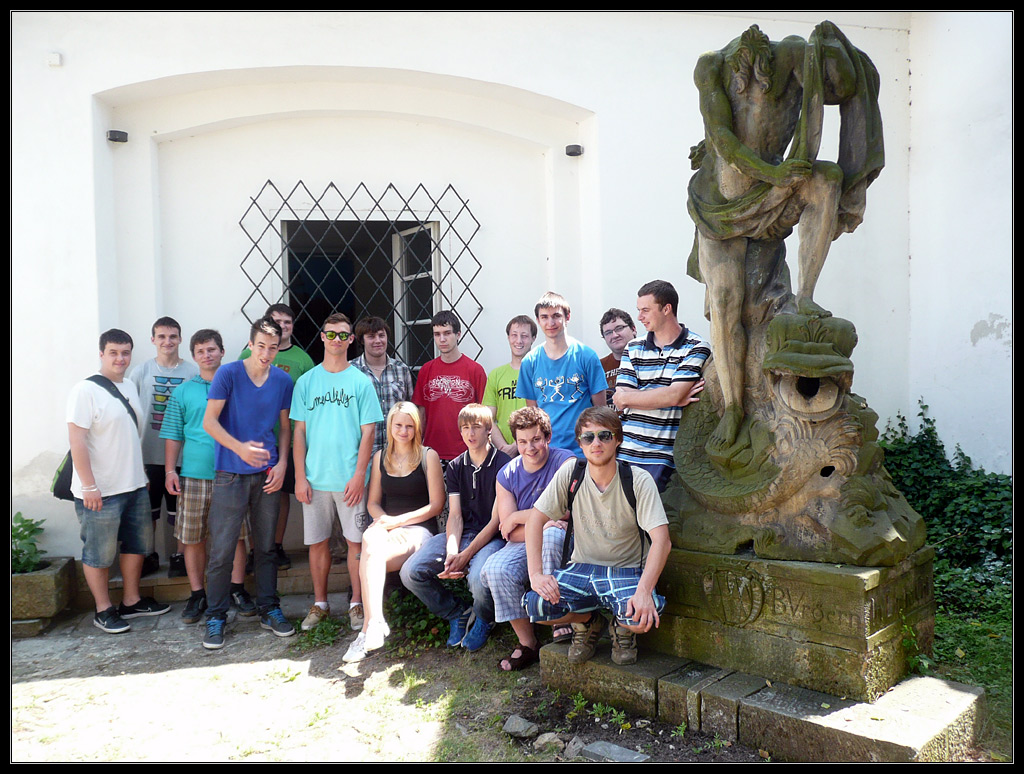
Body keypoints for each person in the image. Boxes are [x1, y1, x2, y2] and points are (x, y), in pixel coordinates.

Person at [687, 22, 883, 459]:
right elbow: (722, 138)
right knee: (725, 301)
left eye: (760, 81)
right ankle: (733, 409)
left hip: (776, 188)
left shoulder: (794, 54)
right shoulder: (711, 66)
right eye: (745, 80)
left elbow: (840, 88)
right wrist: (773, 172)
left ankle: (806, 295)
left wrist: (833, 47)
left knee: (826, 179)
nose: (752, 86)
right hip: (721, 205)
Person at [524, 407, 671, 666]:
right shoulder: (572, 473)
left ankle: (622, 626)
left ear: (618, 439)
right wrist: (536, 575)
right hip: (581, 568)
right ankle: (589, 622)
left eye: (604, 435)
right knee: (536, 606)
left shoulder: (637, 480)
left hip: (626, 570)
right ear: (580, 442)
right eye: (588, 437)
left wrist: (644, 591)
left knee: (641, 618)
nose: (596, 443)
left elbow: (662, 541)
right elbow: (535, 520)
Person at [67, 328, 170, 634]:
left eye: (125, 353)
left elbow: (130, 436)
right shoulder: (84, 390)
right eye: (113, 353)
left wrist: (141, 476)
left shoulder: (128, 386)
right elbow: (77, 441)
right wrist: (88, 486)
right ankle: (103, 609)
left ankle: (131, 601)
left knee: (137, 546)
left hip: (134, 486)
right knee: (99, 553)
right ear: (102, 354)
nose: (120, 358)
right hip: (100, 490)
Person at [201, 317, 295, 650]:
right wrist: (239, 448)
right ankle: (216, 616)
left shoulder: (282, 380)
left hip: (267, 474)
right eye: (261, 346)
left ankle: (269, 608)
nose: (266, 354)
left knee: (266, 547)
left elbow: (285, 428)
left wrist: (282, 463)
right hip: (230, 473)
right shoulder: (228, 374)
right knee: (222, 549)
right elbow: (209, 422)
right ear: (250, 345)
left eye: (273, 348)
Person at [291, 313, 382, 633]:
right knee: (317, 543)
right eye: (331, 334)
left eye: (343, 335)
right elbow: (298, 432)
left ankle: (357, 603)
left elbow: (369, 431)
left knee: (355, 544)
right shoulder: (306, 382)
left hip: (350, 481)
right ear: (322, 337)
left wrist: (359, 476)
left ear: (351, 340)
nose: (337, 340)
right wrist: (299, 477)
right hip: (315, 480)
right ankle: (320, 603)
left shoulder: (361, 382)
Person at [161, 330, 255, 624]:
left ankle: (237, 589)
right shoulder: (183, 392)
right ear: (193, 356)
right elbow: (174, 434)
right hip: (193, 475)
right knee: (193, 538)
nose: (207, 355)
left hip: (232, 473)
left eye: (212, 349)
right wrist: (170, 470)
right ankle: (197, 593)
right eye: (201, 351)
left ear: (222, 352)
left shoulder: (239, 387)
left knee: (237, 536)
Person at [400, 404, 510, 652]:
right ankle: (457, 612)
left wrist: (466, 555)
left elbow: (495, 521)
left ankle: (485, 617)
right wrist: (452, 552)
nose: (470, 433)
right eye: (465, 428)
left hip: (493, 537)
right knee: (410, 572)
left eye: (476, 427)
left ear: (489, 429)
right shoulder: (456, 465)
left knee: (478, 579)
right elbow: (456, 515)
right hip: (462, 534)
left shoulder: (504, 464)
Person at [343, 402, 445, 662]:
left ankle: (367, 630)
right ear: (390, 426)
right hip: (389, 527)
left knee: (368, 555)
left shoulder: (428, 456)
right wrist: (385, 521)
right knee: (370, 539)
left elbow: (436, 505)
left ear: (417, 428)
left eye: (409, 426)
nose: (403, 431)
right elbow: (373, 503)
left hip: (419, 529)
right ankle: (375, 623)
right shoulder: (380, 457)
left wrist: (397, 522)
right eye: (398, 425)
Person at [479, 407, 576, 671]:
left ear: (548, 437)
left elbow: (567, 511)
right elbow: (508, 530)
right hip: (522, 541)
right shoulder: (506, 474)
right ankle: (528, 642)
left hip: (563, 537)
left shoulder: (565, 462)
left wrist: (522, 516)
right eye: (522, 442)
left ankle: (559, 618)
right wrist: (542, 522)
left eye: (536, 439)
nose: (529, 448)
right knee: (496, 568)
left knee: (554, 535)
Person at [613, 280, 709, 492]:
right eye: (639, 310)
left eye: (645, 310)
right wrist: (669, 397)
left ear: (667, 309)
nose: (639, 317)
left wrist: (671, 396)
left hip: (663, 458)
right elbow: (620, 400)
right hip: (624, 451)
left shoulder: (697, 347)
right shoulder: (633, 347)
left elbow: (672, 395)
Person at [240, 303, 315, 570]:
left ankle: (276, 546)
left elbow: (309, 402)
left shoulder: (303, 360)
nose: (282, 326)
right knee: (252, 495)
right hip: (255, 440)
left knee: (280, 493)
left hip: (289, 439)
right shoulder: (247, 353)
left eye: (287, 322)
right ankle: (255, 550)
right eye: (277, 321)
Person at [128, 316, 198, 577]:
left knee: (180, 511)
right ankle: (149, 554)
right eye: (162, 336)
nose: (167, 341)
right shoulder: (141, 372)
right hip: (147, 455)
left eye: (172, 336)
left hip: (182, 457)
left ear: (180, 339)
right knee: (148, 513)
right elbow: (130, 414)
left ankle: (180, 555)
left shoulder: (192, 372)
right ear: (153, 340)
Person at [516, 292, 607, 456]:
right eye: (544, 317)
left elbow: (601, 412)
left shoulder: (586, 356)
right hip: (548, 453)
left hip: (584, 451)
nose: (550, 323)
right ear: (538, 320)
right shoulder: (529, 362)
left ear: (567, 317)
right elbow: (533, 415)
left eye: (556, 316)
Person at [413, 310, 487, 463]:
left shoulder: (475, 370)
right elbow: (421, 414)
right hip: (432, 452)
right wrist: (416, 448)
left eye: (447, 333)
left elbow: (485, 414)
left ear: (458, 334)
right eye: (437, 334)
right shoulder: (426, 370)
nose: (442, 339)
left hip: (467, 452)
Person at [351, 316, 415, 455]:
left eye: (381, 335)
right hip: (362, 453)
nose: (378, 341)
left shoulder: (401, 369)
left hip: (397, 452)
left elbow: (410, 410)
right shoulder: (351, 371)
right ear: (361, 340)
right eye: (371, 336)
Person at [483, 314, 536, 457]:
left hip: (533, 449)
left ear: (533, 338)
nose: (519, 341)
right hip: (502, 452)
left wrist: (518, 445)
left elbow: (544, 414)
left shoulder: (540, 373)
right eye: (514, 335)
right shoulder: (496, 375)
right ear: (508, 337)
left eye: (524, 336)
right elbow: (488, 418)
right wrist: (503, 447)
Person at [598, 308, 637, 409]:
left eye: (619, 328)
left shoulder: (649, 360)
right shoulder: (598, 366)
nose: (614, 335)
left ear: (633, 329)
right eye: (608, 332)